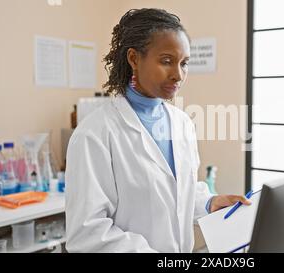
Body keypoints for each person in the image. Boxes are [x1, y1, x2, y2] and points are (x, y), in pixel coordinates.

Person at [65, 8, 251, 253]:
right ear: (133, 59)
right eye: (166, 61)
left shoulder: (182, 123)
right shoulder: (95, 134)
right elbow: (87, 234)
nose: (178, 74)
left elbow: (178, 192)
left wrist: (208, 203)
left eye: (184, 63)